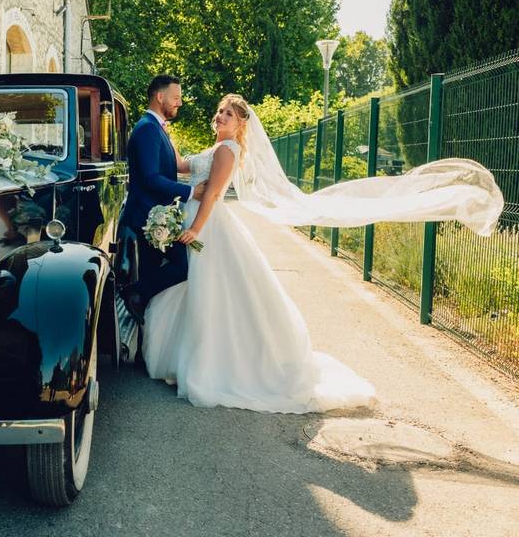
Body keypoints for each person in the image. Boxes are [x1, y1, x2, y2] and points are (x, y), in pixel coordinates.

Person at [142, 93, 503, 413]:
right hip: (203, 223)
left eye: (228, 115)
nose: (220, 117)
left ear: (240, 126)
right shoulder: (212, 149)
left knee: (215, 292)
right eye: (220, 112)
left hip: (211, 227)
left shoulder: (227, 151)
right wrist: (164, 131)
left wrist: (195, 229)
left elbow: (214, 195)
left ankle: (216, 363)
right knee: (204, 290)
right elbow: (179, 166)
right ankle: (197, 355)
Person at [119, 75, 205, 321]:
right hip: (147, 217)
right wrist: (190, 192)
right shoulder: (147, 128)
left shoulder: (156, 128)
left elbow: (171, 166)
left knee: (153, 273)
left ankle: (144, 346)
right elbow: (150, 178)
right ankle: (135, 292)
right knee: (181, 267)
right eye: (176, 98)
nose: (180, 103)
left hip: (155, 217)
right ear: (160, 97)